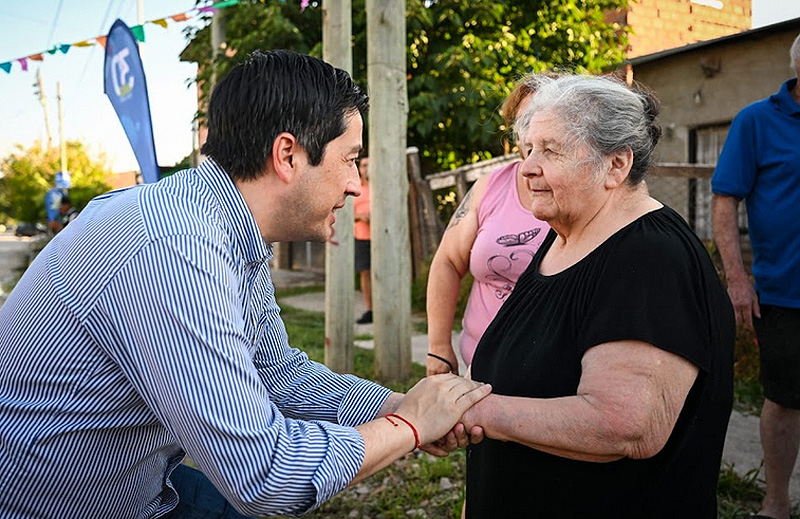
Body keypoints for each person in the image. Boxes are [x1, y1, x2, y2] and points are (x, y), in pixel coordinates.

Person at [0, 50, 491, 519]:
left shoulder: (217, 224)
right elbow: (263, 474)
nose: (356, 185)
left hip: (137, 488)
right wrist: (408, 426)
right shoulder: (175, 247)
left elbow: (276, 371)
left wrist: (401, 404)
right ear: (288, 155)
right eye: (349, 160)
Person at [459, 74, 735, 518]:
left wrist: (477, 412)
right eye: (528, 149)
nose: (527, 167)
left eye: (550, 150)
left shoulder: (650, 258)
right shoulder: (565, 237)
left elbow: (622, 427)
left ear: (615, 165)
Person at [711, 33, 800, 519]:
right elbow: (724, 200)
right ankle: (777, 503)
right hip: (784, 292)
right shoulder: (757, 121)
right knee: (784, 400)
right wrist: (737, 280)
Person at [426, 75, 550, 376]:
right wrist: (439, 347)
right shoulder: (490, 187)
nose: (530, 133)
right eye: (523, 122)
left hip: (548, 377)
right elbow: (447, 261)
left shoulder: (581, 194)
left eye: (541, 119)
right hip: (478, 366)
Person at [354, 156, 373, 324]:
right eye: (364, 165)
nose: (366, 168)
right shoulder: (356, 187)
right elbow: (346, 214)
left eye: (369, 165)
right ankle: (370, 309)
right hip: (361, 235)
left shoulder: (380, 187)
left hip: (381, 238)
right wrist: (362, 216)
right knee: (365, 273)